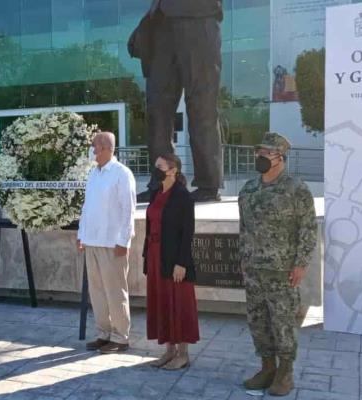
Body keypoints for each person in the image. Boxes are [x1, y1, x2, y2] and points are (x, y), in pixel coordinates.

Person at [238, 132, 317, 396]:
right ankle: (267, 367)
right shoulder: (248, 189)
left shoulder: (296, 189)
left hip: (282, 270)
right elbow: (244, 228)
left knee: (283, 322)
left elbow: (308, 229)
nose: (259, 156)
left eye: (265, 152)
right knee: (258, 321)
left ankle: (285, 373)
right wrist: (243, 258)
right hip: (253, 269)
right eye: (258, 152)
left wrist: (301, 263)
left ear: (280, 157)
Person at [129, 0, 224, 202]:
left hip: (198, 17)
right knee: (157, 110)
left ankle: (208, 184)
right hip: (160, 23)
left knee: (202, 106)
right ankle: (161, 182)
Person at [78, 132, 137, 354]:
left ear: (104, 148)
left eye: (94, 146)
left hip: (113, 244)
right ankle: (104, 334)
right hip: (92, 241)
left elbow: (128, 209)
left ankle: (121, 337)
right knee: (97, 292)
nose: (92, 150)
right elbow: (87, 207)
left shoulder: (122, 173)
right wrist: (82, 235)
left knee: (115, 292)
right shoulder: (94, 173)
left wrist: (124, 240)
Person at [143, 154, 199, 370]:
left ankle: (183, 354)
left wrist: (182, 263)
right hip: (155, 255)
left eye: (160, 166)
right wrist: (147, 257)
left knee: (179, 303)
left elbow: (188, 232)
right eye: (155, 166)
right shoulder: (156, 192)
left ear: (173, 169)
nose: (156, 170)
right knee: (162, 302)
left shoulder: (183, 196)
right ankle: (169, 350)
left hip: (174, 258)